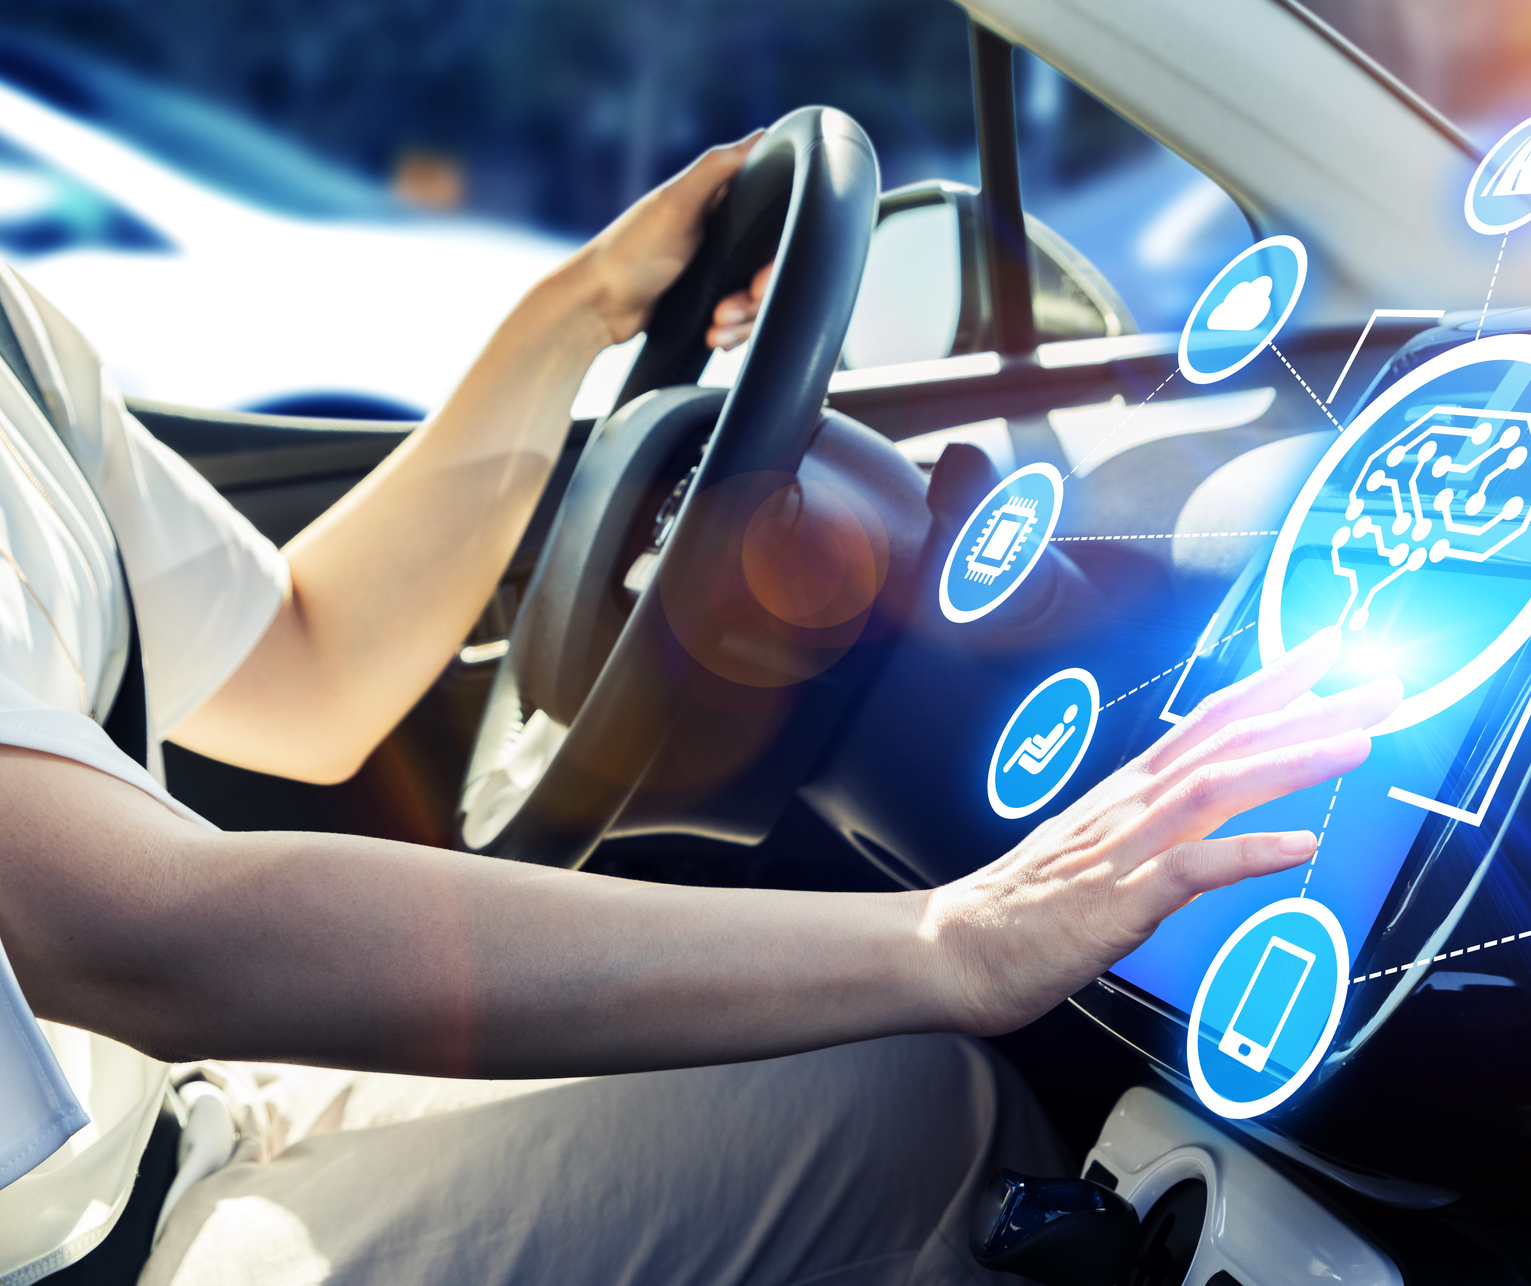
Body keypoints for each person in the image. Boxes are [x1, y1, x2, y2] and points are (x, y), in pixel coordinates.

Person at [0, 134, 1398, 1284]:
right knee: (941, 1122)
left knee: (888, 1075)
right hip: (88, 1247)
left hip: (167, 1123)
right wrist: (945, 938)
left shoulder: (18, 345)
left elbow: (306, 671)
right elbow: (136, 933)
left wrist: (587, 310)